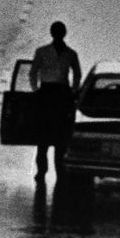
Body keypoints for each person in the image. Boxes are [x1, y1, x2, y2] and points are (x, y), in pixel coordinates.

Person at [29, 21, 81, 182]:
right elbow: (33, 72)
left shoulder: (67, 54)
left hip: (57, 95)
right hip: (52, 94)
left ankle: (56, 171)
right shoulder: (48, 52)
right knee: (47, 137)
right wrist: (37, 90)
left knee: (56, 136)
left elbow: (77, 74)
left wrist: (71, 92)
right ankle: (44, 171)